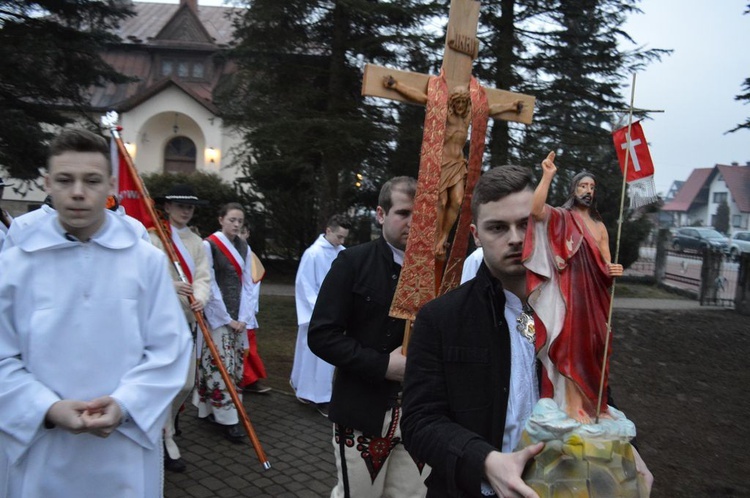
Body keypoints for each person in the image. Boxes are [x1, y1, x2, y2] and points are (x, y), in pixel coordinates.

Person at [401, 165, 652, 498]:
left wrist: (625, 448)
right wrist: (485, 461)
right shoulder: (441, 319)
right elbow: (420, 421)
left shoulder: (574, 311)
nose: (516, 238)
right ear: (476, 234)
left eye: (525, 223)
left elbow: (594, 393)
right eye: (497, 228)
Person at [0, 128, 192, 497]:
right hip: (43, 448)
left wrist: (125, 404)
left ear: (110, 185)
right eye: (64, 179)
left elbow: (169, 349)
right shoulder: (16, 266)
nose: (77, 192)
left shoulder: (145, 262)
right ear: (47, 183)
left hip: (122, 450)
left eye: (91, 180)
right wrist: (47, 408)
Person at [308, 176, 429, 498]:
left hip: (421, 414)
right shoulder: (352, 262)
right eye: (404, 213)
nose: (413, 223)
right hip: (363, 411)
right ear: (380, 214)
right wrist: (381, 365)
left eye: (422, 215)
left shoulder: (439, 269)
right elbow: (322, 335)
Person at [525, 152, 623, 423]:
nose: (588, 191)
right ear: (573, 189)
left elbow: (605, 263)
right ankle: (571, 405)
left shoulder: (600, 226)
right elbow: (535, 211)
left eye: (592, 187)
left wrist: (614, 269)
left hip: (595, 300)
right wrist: (547, 176)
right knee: (571, 346)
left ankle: (595, 405)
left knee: (595, 347)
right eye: (583, 186)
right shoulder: (562, 217)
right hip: (568, 297)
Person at [383, 76, 522, 260]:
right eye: (458, 102)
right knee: (440, 202)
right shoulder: (444, 115)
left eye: (464, 103)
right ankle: (435, 239)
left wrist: (512, 106)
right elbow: (422, 98)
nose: (461, 106)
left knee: (456, 201)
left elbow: (489, 110)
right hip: (441, 164)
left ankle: (443, 237)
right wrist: (397, 85)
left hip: (457, 165)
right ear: (453, 102)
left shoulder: (467, 118)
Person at [150, 184, 211, 472]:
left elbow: (202, 276)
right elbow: (145, 276)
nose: (186, 210)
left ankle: (168, 421)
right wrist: (169, 284)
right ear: (167, 207)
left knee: (186, 383)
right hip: (157, 322)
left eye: (190, 206)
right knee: (161, 382)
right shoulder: (152, 238)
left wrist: (199, 298)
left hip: (186, 320)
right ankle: (165, 437)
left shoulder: (196, 242)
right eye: (180, 205)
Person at [193, 202, 266, 443]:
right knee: (218, 365)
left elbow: (247, 283)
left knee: (233, 366)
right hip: (217, 317)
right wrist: (226, 318)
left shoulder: (244, 246)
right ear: (221, 219)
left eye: (240, 221)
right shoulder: (209, 245)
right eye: (232, 220)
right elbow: (209, 283)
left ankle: (208, 409)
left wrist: (243, 317)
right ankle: (228, 419)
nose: (236, 225)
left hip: (237, 317)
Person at [290, 214, 351, 417]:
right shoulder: (313, 254)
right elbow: (305, 285)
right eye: (339, 237)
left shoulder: (342, 253)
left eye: (344, 238)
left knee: (326, 360)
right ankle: (315, 396)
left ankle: (321, 394)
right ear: (328, 231)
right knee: (313, 357)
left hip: (335, 313)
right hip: (317, 314)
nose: (341, 242)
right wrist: (322, 311)